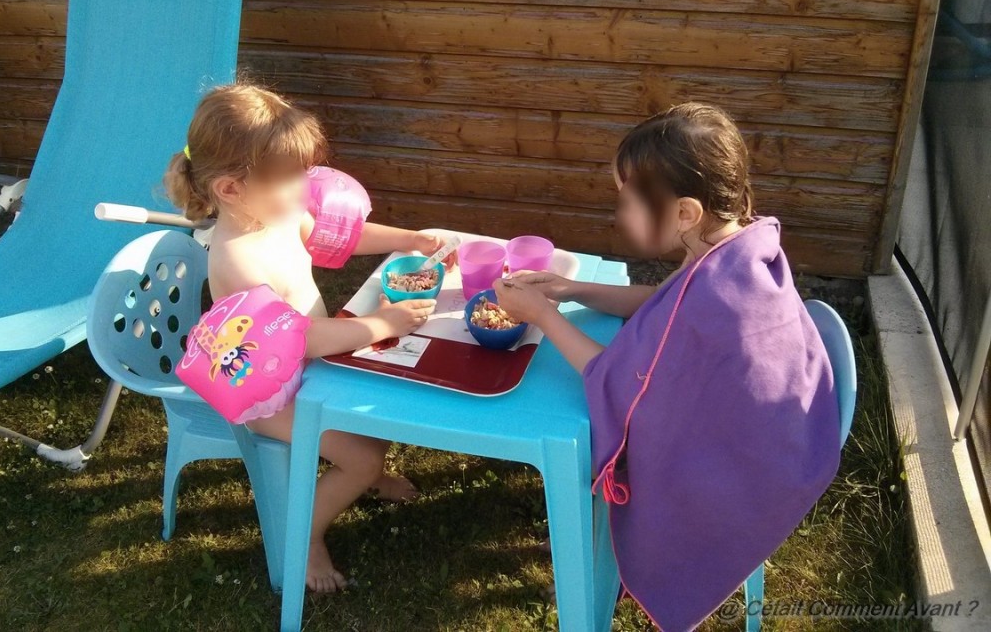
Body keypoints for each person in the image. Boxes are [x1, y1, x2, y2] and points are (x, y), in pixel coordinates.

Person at [493, 102, 842, 631]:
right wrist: (572, 288)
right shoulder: (733, 246)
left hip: (743, 478)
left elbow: (614, 384)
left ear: (685, 213)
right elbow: (666, 299)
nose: (620, 215)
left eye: (629, 201)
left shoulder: (714, 302)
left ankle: (604, 550)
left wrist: (540, 313)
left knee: (577, 427)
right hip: (788, 439)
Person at [163, 82, 454, 594]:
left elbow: (338, 236)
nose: (307, 185)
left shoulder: (277, 213)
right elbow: (296, 338)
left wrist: (410, 239)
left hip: (308, 359)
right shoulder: (238, 259)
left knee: (377, 405)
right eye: (292, 176)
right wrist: (385, 323)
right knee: (363, 456)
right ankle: (307, 536)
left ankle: (369, 478)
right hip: (272, 390)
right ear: (231, 188)